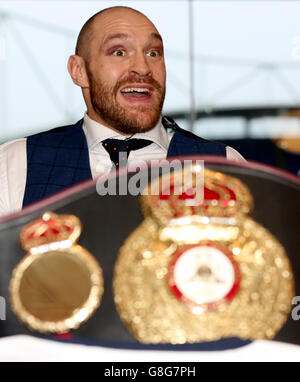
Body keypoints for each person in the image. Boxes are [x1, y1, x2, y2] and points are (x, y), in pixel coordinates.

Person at [0, 6, 244, 217]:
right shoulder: (13, 165)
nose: (142, 67)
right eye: (119, 52)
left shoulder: (226, 166)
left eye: (153, 53)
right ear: (79, 71)